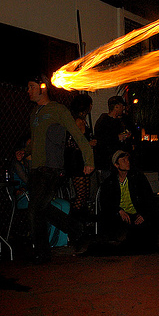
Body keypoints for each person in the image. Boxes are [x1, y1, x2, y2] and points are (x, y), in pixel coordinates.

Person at [22, 75, 94, 263]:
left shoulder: (58, 110)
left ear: (42, 88)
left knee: (34, 210)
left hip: (51, 168)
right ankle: (77, 230)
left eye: (31, 86)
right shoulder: (34, 113)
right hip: (36, 168)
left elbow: (78, 135)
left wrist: (89, 159)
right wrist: (24, 151)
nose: (27, 90)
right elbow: (35, 140)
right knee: (41, 209)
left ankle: (42, 253)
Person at [95, 150, 158, 254]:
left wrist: (143, 214)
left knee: (144, 236)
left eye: (127, 159)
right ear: (116, 164)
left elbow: (148, 198)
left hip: (136, 214)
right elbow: (105, 203)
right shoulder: (109, 182)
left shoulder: (137, 178)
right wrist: (118, 210)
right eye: (123, 160)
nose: (127, 162)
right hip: (120, 215)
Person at [65, 94, 97, 222]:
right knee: (81, 195)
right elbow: (72, 142)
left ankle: (78, 222)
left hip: (81, 161)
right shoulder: (78, 121)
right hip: (77, 162)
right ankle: (71, 222)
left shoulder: (79, 120)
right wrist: (89, 144)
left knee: (84, 194)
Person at [94, 95, 131, 181]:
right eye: (121, 106)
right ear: (116, 106)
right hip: (107, 163)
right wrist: (117, 138)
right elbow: (100, 141)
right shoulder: (103, 121)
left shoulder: (120, 121)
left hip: (118, 164)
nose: (123, 108)